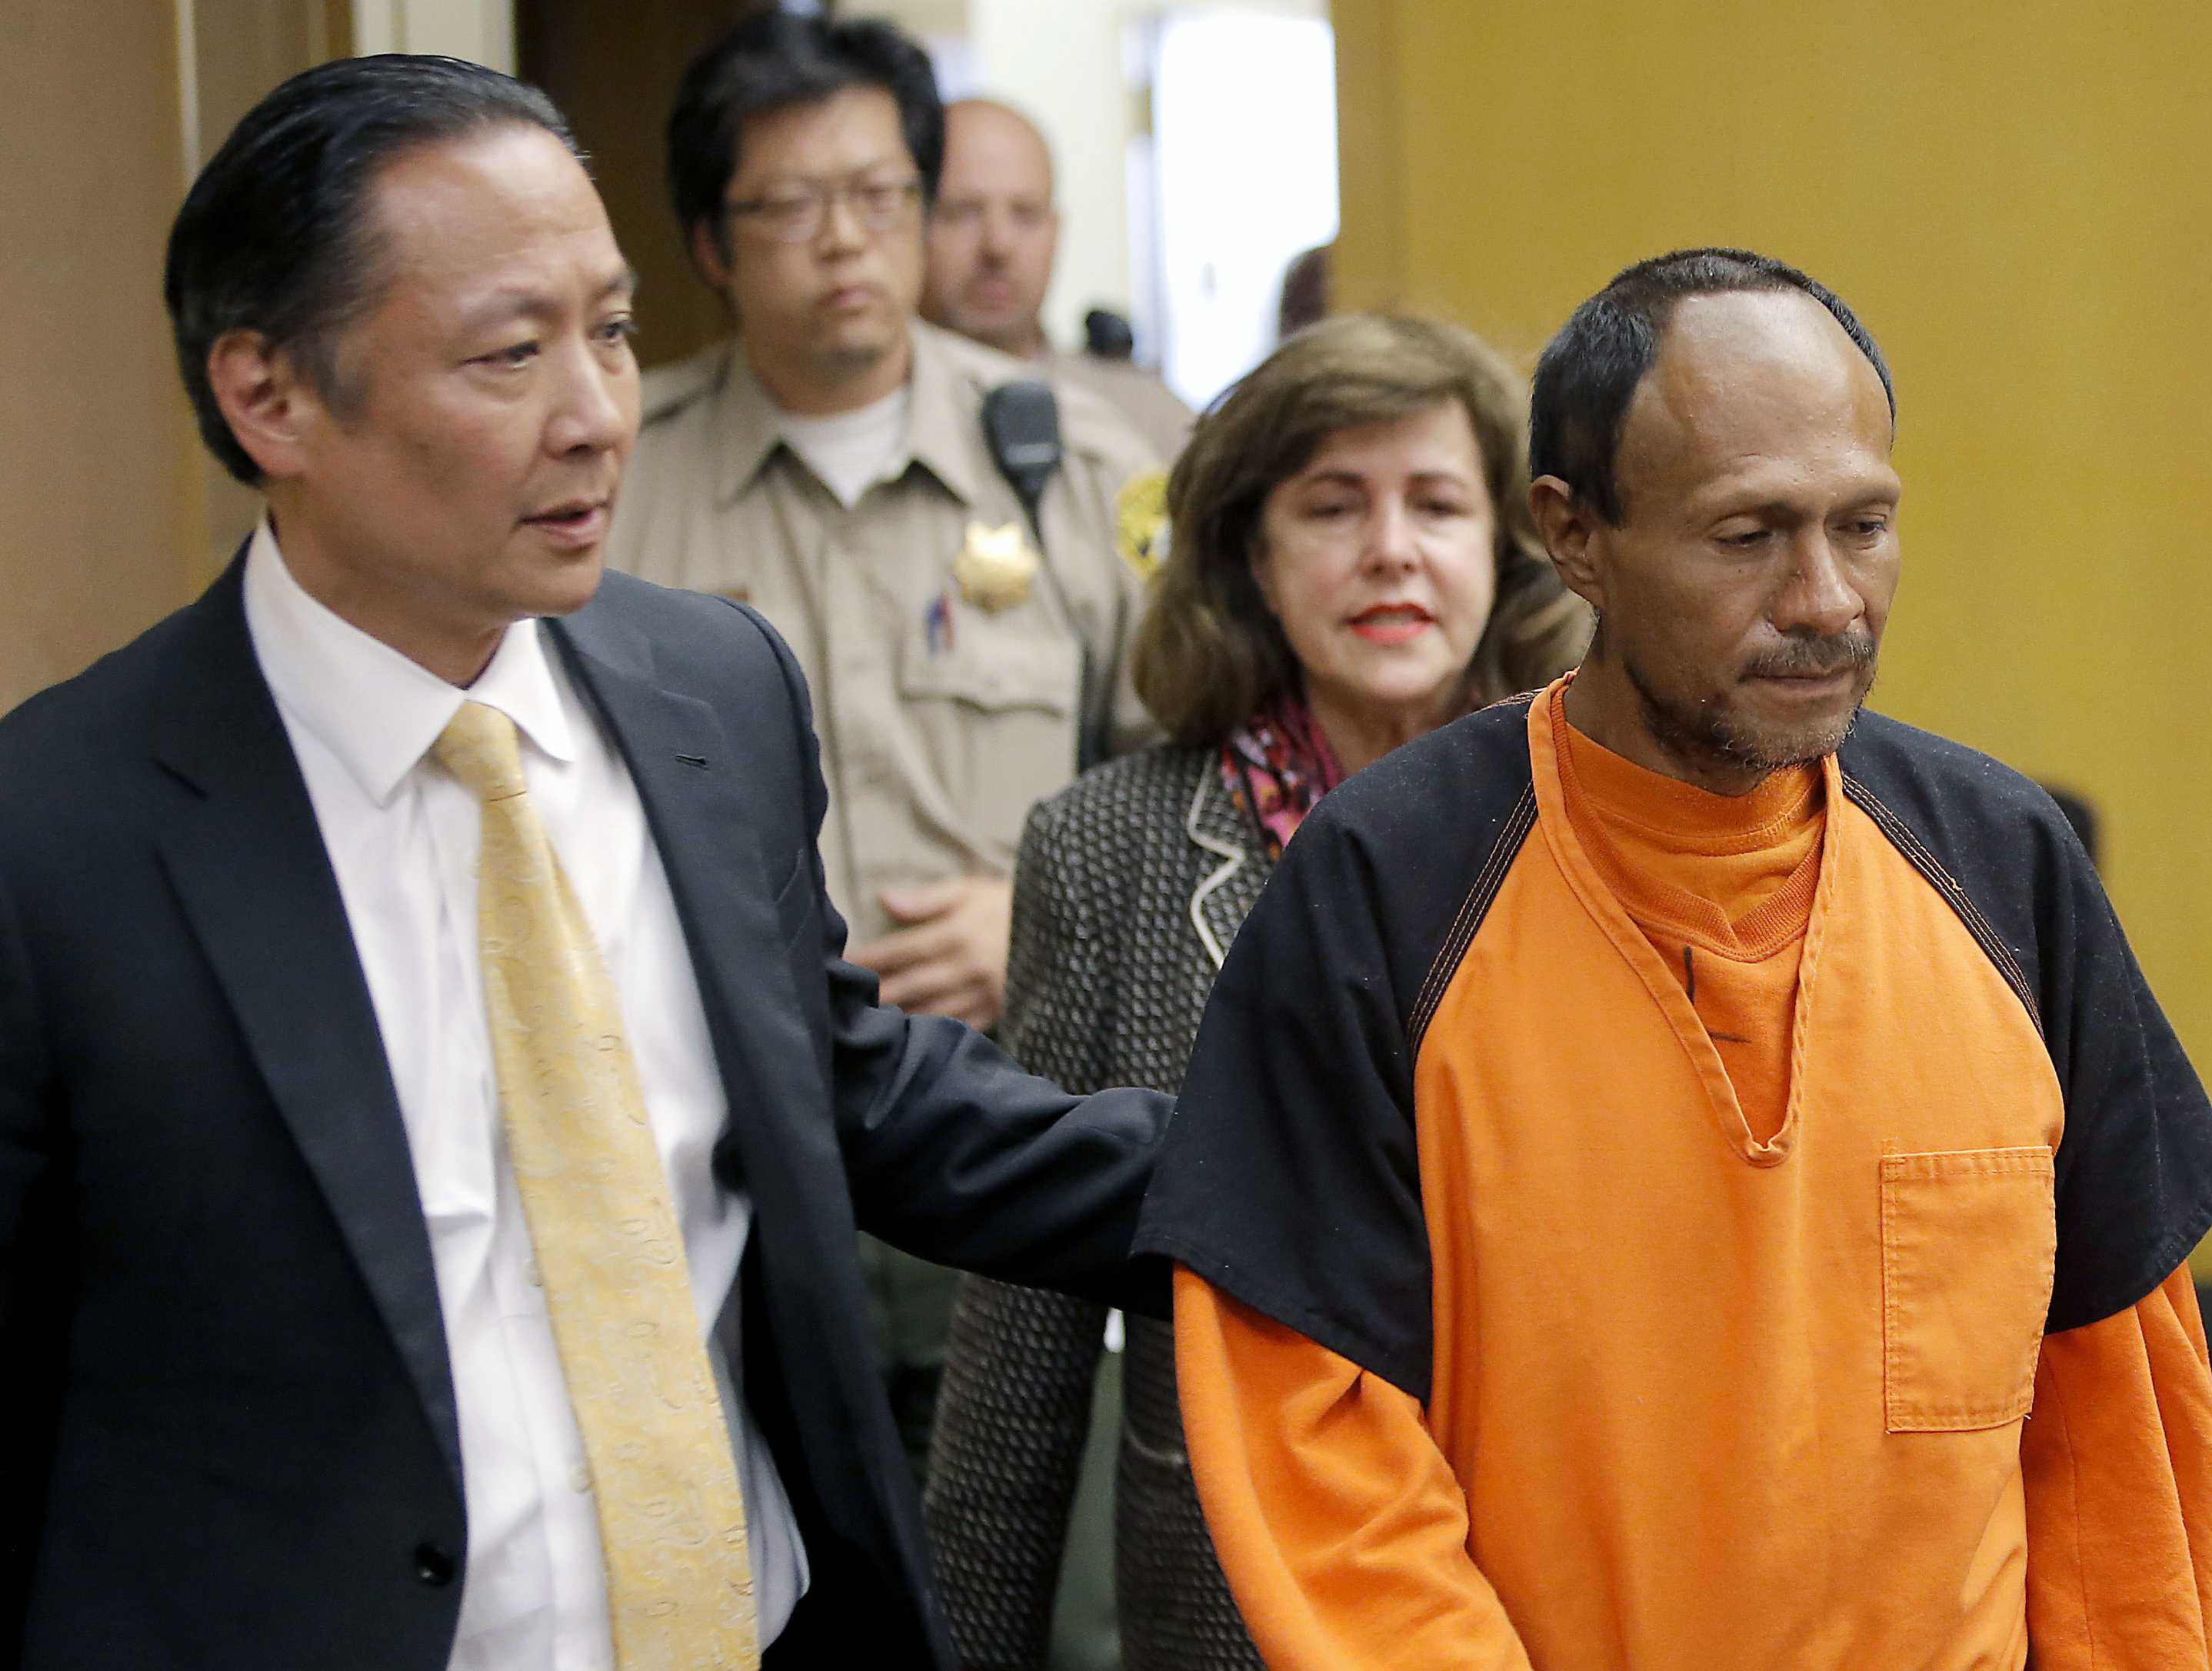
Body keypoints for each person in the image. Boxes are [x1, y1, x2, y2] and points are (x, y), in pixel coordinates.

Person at [0, 56, 1168, 1671]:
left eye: (611, 331)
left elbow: (843, 1091)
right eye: (509, 353)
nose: (597, 415)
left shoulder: (710, 691)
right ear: (270, 397)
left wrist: (1315, 1183)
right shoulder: (60, 833)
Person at [1135, 250, 2212, 1670]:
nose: (1829, 598)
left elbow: (2117, 1435)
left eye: (1865, 522)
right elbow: (1322, 1452)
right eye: (1747, 534)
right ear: (1574, 535)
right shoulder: (1384, 891)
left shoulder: (2004, 867)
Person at [924, 315, 1590, 1671]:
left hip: (1560, 1593)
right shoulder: (1105, 848)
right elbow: (1022, 1343)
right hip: (1238, 1605)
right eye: (1332, 507)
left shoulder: (1607, 830)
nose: (1391, 548)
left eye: (1437, 503)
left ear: (1508, 552)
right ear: (1250, 555)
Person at [607, 11, 1167, 1467]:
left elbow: (1189, 794)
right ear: (713, 245)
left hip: (1017, 1114)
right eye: (790, 206)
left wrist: (1042, 920)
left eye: (879, 196)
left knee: (1046, 1581)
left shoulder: (1080, 463)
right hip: (731, 1137)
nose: (845, 240)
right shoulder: (616, 490)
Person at [922, 97, 1196, 461]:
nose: (997, 246)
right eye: (961, 213)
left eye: (1027, 214)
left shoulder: (1150, 422)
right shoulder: (859, 418)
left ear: (1056, 232)